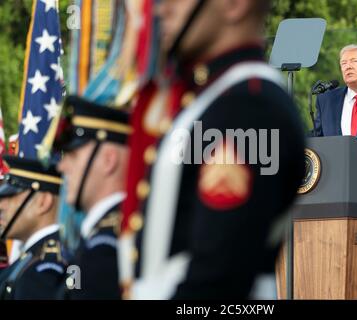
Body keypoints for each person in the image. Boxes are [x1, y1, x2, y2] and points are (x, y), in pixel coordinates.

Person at [124, 0, 305, 299]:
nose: (160, 10)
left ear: (234, 5)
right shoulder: (214, 100)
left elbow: (217, 280)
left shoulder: (249, 107)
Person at [53, 96, 130, 299]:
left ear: (108, 160)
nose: (61, 166)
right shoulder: (97, 241)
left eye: (72, 156)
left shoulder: (104, 249)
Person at [0, 156, 66, 299]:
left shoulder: (44, 269)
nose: (1, 206)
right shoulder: (32, 257)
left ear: (43, 201)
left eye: (12, 195)